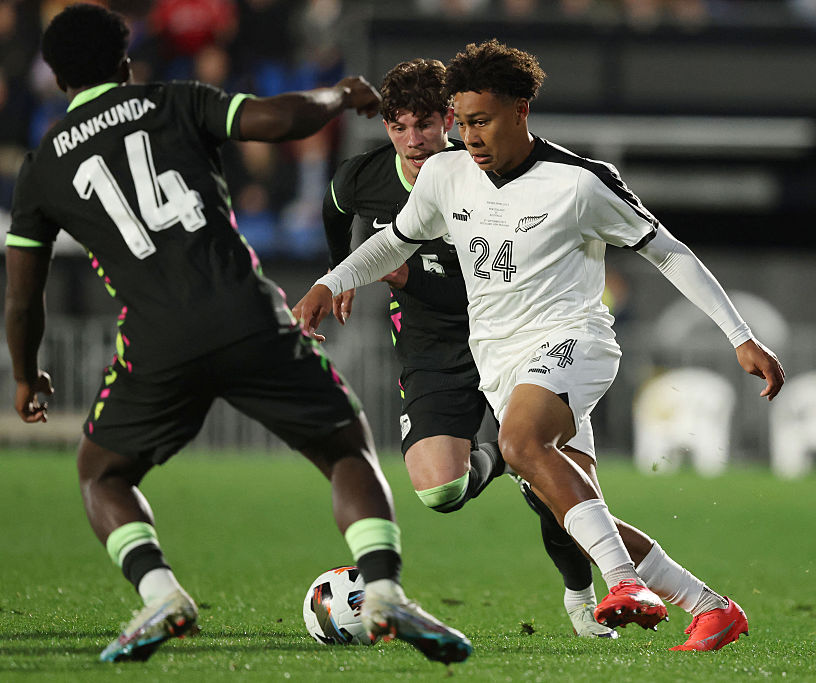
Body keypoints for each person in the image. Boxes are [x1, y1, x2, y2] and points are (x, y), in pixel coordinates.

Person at [4, 4, 470, 665]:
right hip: (248, 314)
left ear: (54, 77)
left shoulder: (43, 165)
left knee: (101, 472)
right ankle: (386, 588)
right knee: (344, 448)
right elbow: (279, 120)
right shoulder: (175, 101)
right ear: (125, 62)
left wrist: (27, 374)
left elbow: (23, 296)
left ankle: (160, 590)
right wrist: (338, 94)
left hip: (156, 340)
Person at [294, 39, 786, 650]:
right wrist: (331, 280)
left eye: (482, 122)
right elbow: (396, 239)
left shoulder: (579, 183)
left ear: (521, 110)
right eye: (464, 122)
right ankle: (710, 606)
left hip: (572, 340)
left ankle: (625, 584)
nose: (469, 137)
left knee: (520, 442)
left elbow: (669, 252)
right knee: (573, 511)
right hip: (498, 361)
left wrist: (740, 336)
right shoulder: (447, 175)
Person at [307, 57, 616, 638]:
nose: (414, 139)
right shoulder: (361, 177)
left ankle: (581, 600)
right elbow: (335, 207)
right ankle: (503, 453)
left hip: (519, 337)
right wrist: (337, 273)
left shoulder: (473, 176)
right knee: (440, 489)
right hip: (430, 346)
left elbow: (494, 280)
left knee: (555, 491)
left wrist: (407, 279)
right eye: (398, 126)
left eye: (425, 123)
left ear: (449, 120)